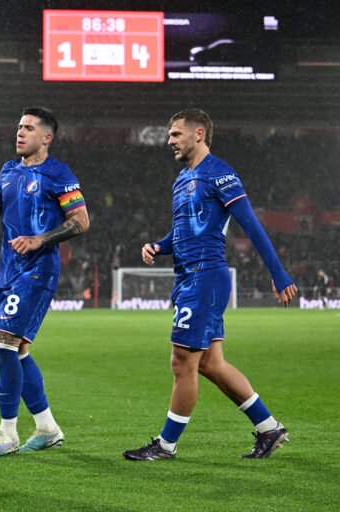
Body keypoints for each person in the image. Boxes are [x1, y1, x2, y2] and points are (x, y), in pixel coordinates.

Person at [122, 109, 298, 461]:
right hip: (189, 276)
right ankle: (269, 428)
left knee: (182, 361)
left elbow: (252, 225)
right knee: (211, 364)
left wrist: (279, 275)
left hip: (206, 276)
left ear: (198, 133)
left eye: (175, 134)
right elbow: (184, 231)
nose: (169, 141)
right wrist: (159, 245)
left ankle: (166, 445)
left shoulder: (220, 173)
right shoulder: (181, 180)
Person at [0, 107, 89, 456]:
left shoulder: (58, 173)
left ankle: (7, 433)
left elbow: (80, 220)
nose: (20, 133)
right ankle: (47, 428)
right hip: (8, 271)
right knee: (17, 350)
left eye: (29, 128)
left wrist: (39, 239)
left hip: (38, 270)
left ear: (46, 138)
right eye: (19, 127)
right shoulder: (9, 170)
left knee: (2, 345)